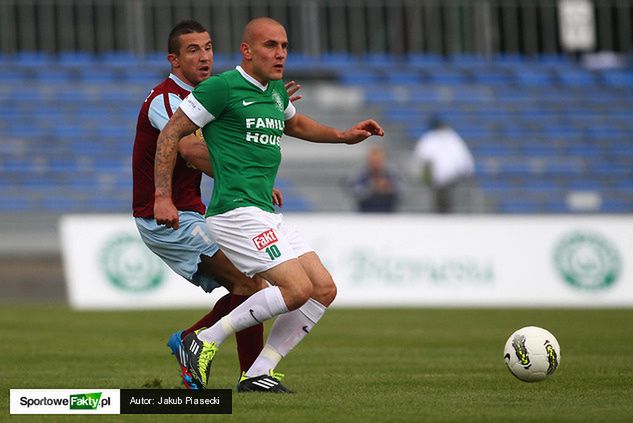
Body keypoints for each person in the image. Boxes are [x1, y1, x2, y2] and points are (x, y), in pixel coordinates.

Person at [153, 17, 384, 392]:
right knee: (295, 289)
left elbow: (295, 125)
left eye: (284, 46)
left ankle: (260, 370)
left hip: (263, 211)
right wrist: (162, 195)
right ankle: (203, 341)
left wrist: (343, 136)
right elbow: (172, 132)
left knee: (323, 288)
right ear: (247, 50)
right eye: (270, 46)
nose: (280, 54)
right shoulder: (221, 88)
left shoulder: (275, 90)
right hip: (234, 211)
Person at [132, 20, 301, 389]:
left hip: (191, 210)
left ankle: (245, 371)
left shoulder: (210, 94)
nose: (205, 56)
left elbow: (232, 138)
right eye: (193, 50)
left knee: (252, 282)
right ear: (173, 60)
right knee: (249, 283)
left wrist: (267, 107)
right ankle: (201, 347)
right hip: (164, 217)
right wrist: (243, 177)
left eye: (208, 47)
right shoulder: (167, 100)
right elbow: (190, 148)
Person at [413, 117, 475, 213]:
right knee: (437, 203)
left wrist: (467, 169)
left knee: (447, 203)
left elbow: (463, 157)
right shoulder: (430, 138)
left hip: (451, 178)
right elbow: (421, 157)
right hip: (434, 179)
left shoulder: (452, 138)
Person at [348, 144, 403, 212]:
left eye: (377, 160)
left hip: (388, 211)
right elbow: (354, 191)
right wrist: (371, 187)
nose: (375, 164)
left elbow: (402, 190)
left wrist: (388, 188)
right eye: (373, 161)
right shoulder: (361, 173)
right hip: (365, 212)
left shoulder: (391, 172)